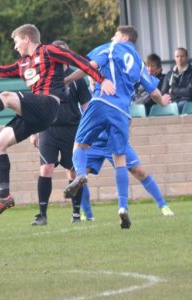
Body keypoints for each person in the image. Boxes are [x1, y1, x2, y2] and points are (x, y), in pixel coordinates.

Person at [0, 23, 115, 218]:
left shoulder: (49, 51)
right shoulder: (23, 64)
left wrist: (102, 80)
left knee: (7, 96)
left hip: (50, 104)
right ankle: (4, 195)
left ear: (26, 39)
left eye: (16, 42)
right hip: (39, 117)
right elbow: (1, 71)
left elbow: (80, 61)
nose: (15, 47)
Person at [64, 26, 170, 229]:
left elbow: (90, 66)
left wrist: (67, 80)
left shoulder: (111, 48)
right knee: (119, 160)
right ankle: (122, 207)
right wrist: (164, 102)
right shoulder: (139, 62)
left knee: (79, 147)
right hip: (123, 113)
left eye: (114, 35)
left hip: (102, 103)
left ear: (123, 37)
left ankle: (81, 175)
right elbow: (155, 93)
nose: (112, 37)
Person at [29, 40, 92, 226]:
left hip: (72, 129)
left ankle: (76, 214)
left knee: (72, 172)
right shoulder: (43, 76)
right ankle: (42, 214)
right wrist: (33, 130)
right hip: (48, 128)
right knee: (46, 168)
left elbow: (87, 106)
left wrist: (88, 130)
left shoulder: (76, 77)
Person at [77, 130, 174, 219]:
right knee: (80, 175)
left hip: (116, 141)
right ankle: (87, 214)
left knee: (139, 171)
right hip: (93, 144)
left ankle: (163, 205)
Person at [160, 47, 192, 113]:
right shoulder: (169, 74)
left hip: (187, 101)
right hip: (172, 101)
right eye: (177, 56)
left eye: (182, 56)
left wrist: (174, 90)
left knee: (177, 107)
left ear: (187, 57)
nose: (180, 59)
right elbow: (163, 92)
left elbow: (189, 92)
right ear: (175, 58)